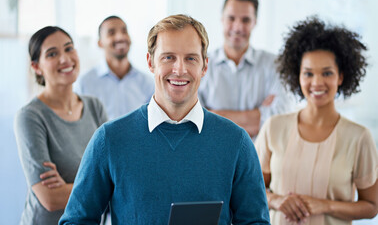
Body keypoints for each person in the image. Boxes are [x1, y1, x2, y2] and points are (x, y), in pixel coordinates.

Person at [59, 14, 270, 225]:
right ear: (151, 62)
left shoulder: (235, 142)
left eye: (191, 58)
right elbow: (76, 221)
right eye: (168, 57)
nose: (179, 70)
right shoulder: (109, 140)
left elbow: (255, 222)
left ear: (205, 66)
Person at [255, 17, 378, 225]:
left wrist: (326, 205)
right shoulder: (274, 128)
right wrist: (277, 200)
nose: (317, 82)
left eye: (327, 73)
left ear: (340, 77)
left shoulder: (359, 137)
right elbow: (251, 189)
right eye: (308, 73)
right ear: (298, 76)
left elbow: (371, 206)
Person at [14, 26, 108, 225]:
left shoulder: (94, 107)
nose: (65, 59)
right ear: (36, 67)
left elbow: (115, 175)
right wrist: (101, 185)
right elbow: (50, 198)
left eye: (69, 48)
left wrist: (67, 187)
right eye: (52, 54)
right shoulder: (30, 116)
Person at [199, 0, 292, 139]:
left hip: (258, 160)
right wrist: (259, 115)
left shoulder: (275, 65)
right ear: (222, 19)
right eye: (231, 18)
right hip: (213, 159)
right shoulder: (200, 65)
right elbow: (195, 122)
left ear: (255, 22)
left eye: (246, 20)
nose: (238, 27)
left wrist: (213, 116)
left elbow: (279, 121)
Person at [75, 15, 154, 120]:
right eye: (111, 33)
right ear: (100, 43)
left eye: (124, 31)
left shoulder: (147, 83)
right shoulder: (84, 83)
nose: (120, 37)